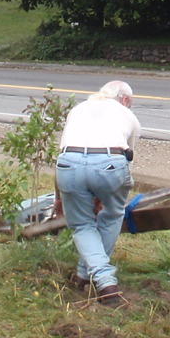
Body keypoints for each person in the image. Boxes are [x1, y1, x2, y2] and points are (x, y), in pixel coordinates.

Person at [56, 81, 141, 307]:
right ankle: (105, 282)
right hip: (111, 162)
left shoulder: (78, 109)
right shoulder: (126, 114)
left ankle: (84, 274)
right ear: (125, 100)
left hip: (68, 162)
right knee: (113, 214)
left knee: (82, 225)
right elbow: (127, 157)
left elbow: (63, 148)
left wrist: (58, 199)